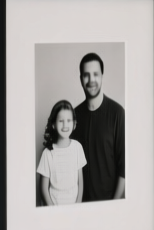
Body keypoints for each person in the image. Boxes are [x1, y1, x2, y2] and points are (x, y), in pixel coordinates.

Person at [74, 52, 125, 201]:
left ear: (102, 76)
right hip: (79, 206)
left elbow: (124, 169)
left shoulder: (118, 113)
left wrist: (113, 206)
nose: (91, 80)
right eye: (86, 75)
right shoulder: (73, 117)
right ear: (80, 79)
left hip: (108, 205)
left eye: (95, 74)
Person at [37, 101, 86, 206]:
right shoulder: (47, 153)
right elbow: (44, 189)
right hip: (54, 208)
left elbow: (80, 182)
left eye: (69, 120)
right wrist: (54, 210)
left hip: (74, 208)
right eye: (61, 121)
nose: (65, 125)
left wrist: (77, 206)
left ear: (74, 124)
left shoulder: (77, 147)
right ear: (54, 124)